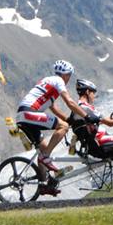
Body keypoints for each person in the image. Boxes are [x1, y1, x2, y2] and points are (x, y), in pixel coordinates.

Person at [16, 60, 95, 195]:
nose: (69, 78)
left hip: (23, 116)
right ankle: (45, 157)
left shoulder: (49, 81)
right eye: (69, 75)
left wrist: (68, 120)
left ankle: (43, 184)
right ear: (66, 74)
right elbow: (70, 102)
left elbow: (53, 107)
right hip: (29, 113)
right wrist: (86, 116)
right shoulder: (58, 81)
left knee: (44, 148)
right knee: (62, 128)